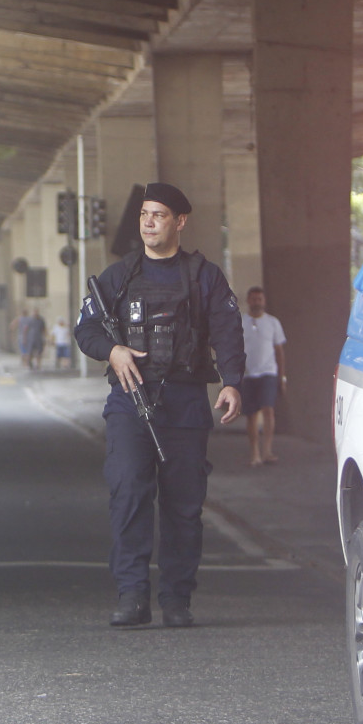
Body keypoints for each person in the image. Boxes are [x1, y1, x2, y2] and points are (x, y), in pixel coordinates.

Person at [75, 182, 243, 630]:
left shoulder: (204, 276)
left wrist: (232, 382)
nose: (149, 222)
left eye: (159, 215)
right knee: (129, 492)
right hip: (131, 400)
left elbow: (228, 330)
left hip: (185, 402)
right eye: (145, 214)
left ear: (180, 222)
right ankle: (132, 595)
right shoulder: (118, 277)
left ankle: (176, 598)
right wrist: (113, 352)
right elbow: (86, 329)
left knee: (183, 505)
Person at [240, 286, 287, 468]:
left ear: (264, 301)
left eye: (260, 299)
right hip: (248, 374)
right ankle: (255, 453)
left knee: (268, 410)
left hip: (269, 372)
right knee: (251, 414)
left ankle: (267, 451)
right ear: (248, 301)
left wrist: (282, 377)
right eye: (253, 299)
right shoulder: (241, 322)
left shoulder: (273, 322)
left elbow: (280, 351)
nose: (257, 302)